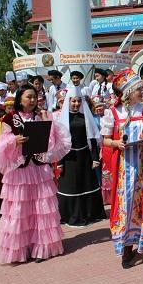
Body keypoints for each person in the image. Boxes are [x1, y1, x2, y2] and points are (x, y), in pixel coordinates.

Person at [0, 85, 71, 264]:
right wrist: (14, 140)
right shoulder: (10, 118)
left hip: (38, 168)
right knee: (19, 210)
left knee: (41, 208)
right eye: (29, 97)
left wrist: (47, 122)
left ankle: (41, 248)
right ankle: (21, 249)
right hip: (20, 170)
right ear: (20, 99)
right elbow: (0, 144)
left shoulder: (40, 116)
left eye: (35, 97)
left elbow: (54, 142)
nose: (33, 100)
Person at [100, 68, 143, 266]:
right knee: (124, 206)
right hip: (123, 168)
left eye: (142, 88)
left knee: (140, 206)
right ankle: (126, 247)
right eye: (137, 89)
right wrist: (117, 144)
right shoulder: (113, 112)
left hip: (141, 167)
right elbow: (106, 141)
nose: (142, 92)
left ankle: (141, 244)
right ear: (127, 92)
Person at [57, 86, 106, 227]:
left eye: (78, 101)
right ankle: (70, 215)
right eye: (73, 101)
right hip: (69, 156)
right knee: (71, 185)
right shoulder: (63, 119)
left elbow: (92, 138)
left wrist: (95, 158)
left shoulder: (85, 118)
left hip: (85, 155)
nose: (76, 104)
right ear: (68, 102)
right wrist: (60, 161)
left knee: (86, 183)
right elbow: (60, 142)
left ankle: (89, 214)